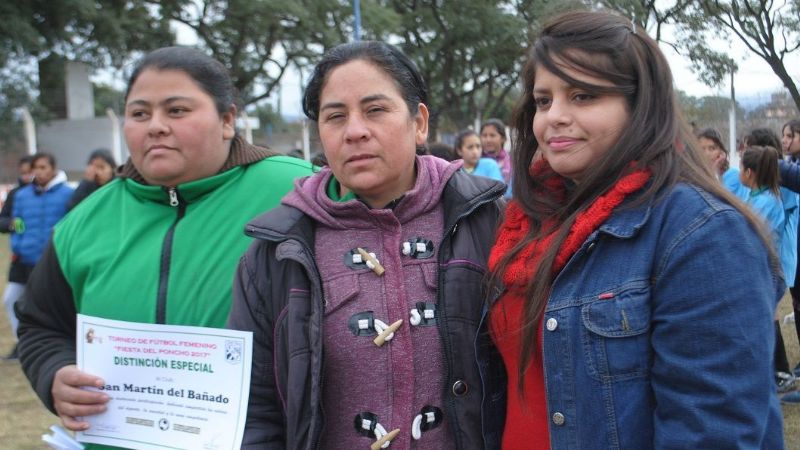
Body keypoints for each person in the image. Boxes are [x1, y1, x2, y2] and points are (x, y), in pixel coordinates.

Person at [488, 11, 783, 449]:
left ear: (639, 106)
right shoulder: (527, 220)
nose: (554, 117)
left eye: (583, 96)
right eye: (543, 100)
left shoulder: (703, 231)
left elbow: (710, 433)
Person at [15, 46, 314, 446]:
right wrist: (54, 372)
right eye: (139, 114)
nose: (155, 126)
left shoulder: (302, 193)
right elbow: (41, 325)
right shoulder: (83, 222)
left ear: (227, 120)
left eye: (176, 111)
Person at [227, 41, 506, 449]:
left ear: (419, 122)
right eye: (335, 116)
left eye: (375, 110)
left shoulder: (487, 220)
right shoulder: (278, 251)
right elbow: (256, 409)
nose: (355, 131)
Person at [0, 155, 33, 359]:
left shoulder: (52, 195)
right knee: (11, 299)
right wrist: (11, 223)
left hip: (41, 261)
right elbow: (2, 222)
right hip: (19, 260)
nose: (27, 175)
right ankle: (22, 344)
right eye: (23, 172)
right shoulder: (15, 194)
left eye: (31, 170)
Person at [480, 118, 512, 183]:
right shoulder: (474, 161)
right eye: (484, 135)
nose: (488, 140)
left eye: (492, 135)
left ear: (503, 138)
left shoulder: (512, 162)